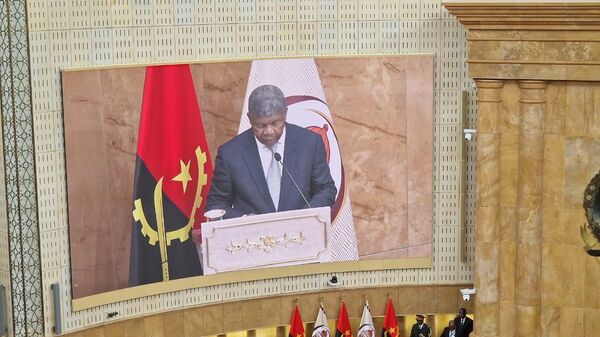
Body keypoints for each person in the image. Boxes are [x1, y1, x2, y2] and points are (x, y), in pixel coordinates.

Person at [206, 84, 337, 219]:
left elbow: (326, 190)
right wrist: (245, 219)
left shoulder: (310, 143)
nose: (269, 132)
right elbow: (216, 205)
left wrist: (305, 216)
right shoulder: (230, 154)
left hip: (302, 234)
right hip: (252, 236)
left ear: (285, 113)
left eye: (275, 123)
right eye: (260, 125)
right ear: (250, 118)